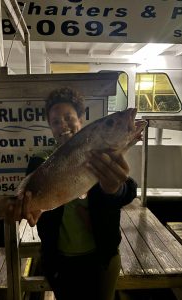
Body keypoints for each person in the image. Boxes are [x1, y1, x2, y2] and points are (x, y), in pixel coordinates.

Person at [17, 87, 138, 300]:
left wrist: (114, 189)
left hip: (101, 257)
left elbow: (128, 191)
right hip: (60, 260)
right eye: (55, 121)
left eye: (68, 117)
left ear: (81, 119)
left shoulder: (102, 153)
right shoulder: (38, 161)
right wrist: (21, 210)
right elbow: (27, 199)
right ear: (50, 127)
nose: (62, 124)